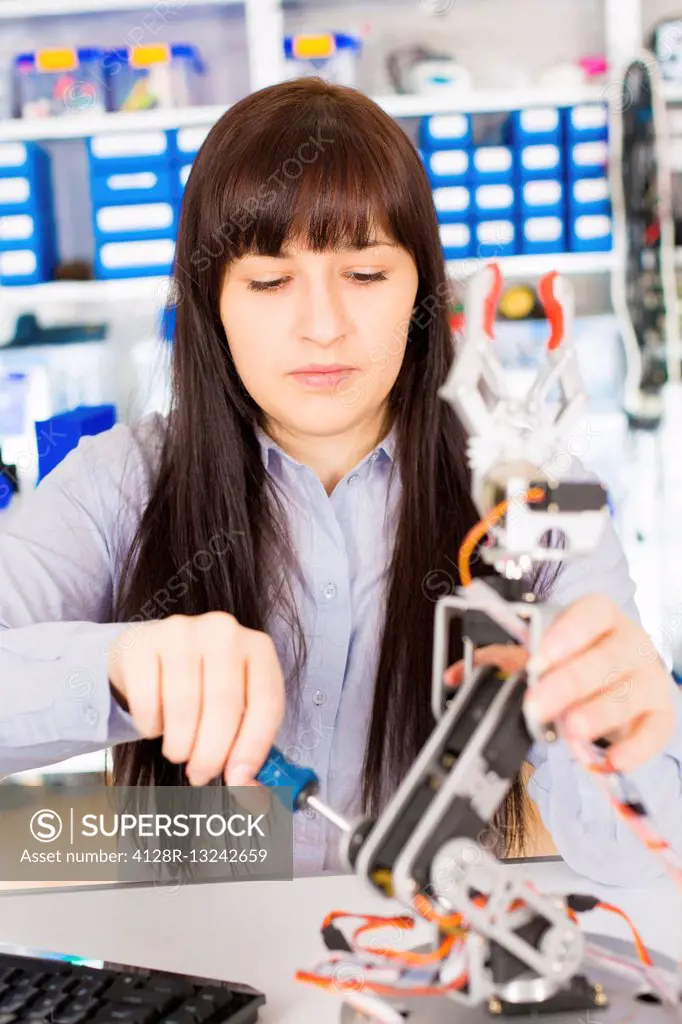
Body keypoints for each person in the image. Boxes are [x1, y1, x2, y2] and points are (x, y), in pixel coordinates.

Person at [1, 79, 680, 884]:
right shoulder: (121, 483)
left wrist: (624, 735)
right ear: (209, 300)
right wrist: (119, 664)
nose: (322, 326)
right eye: (268, 282)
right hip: (196, 979)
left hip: (436, 971)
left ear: (423, 292)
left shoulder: (535, 500)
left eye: (365, 274)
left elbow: (642, 853)